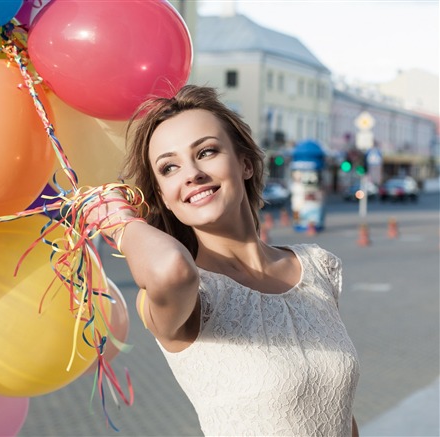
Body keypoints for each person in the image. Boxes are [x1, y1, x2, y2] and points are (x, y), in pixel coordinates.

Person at [87, 85, 360, 436]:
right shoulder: (187, 299)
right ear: (164, 199)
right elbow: (172, 269)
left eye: (207, 151)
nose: (191, 174)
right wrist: (120, 223)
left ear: (245, 163)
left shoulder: (317, 268)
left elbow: (340, 412)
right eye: (169, 168)